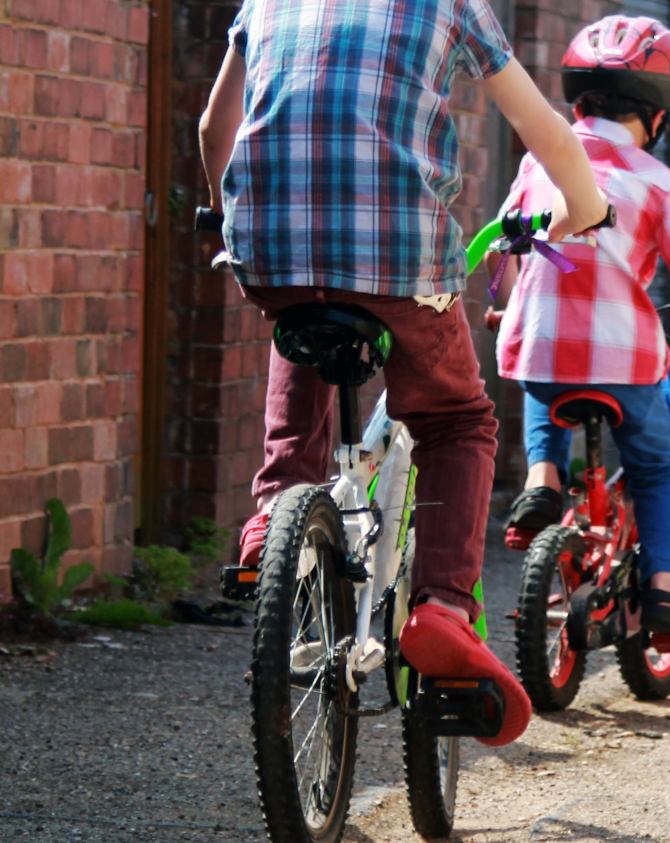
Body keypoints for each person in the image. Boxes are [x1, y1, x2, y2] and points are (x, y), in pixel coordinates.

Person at [197, 0, 609, 747]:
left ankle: (274, 515)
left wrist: (233, 216)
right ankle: (445, 605)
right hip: (398, 258)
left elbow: (209, 131)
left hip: (268, 245)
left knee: (301, 319)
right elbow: (541, 124)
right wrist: (584, 205)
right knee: (458, 419)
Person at [493, 15, 670, 643]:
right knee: (655, 469)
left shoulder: (540, 163)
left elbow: (507, 250)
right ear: (657, 117)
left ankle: (543, 483)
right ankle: (667, 594)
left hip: (539, 340)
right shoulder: (656, 180)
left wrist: (507, 306)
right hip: (623, 360)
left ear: (581, 101)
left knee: (546, 388)